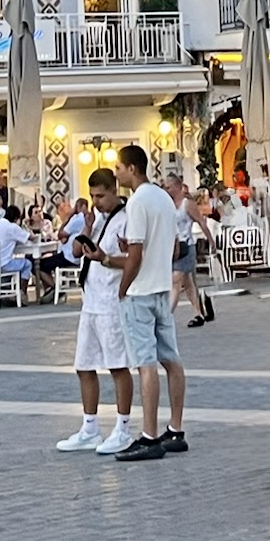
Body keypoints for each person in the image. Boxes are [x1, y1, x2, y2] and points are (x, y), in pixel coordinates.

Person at [111, 144, 187, 460]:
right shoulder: (163, 198)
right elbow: (174, 250)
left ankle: (149, 435)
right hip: (161, 288)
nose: (116, 173)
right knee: (171, 360)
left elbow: (137, 254)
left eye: (118, 167)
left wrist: (123, 288)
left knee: (146, 363)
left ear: (132, 168)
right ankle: (176, 429)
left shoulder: (139, 201)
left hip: (141, 292)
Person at [56, 168, 135, 456]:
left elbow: (134, 260)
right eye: (92, 196)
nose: (96, 201)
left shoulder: (126, 220)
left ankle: (123, 427)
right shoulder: (98, 219)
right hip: (90, 301)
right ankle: (90, 427)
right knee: (84, 365)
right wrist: (87, 226)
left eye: (101, 195)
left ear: (114, 190)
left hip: (111, 302)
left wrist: (106, 259)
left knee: (117, 365)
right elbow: (77, 251)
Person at [165, 174, 214, 327]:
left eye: (168, 187)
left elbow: (201, 222)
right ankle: (198, 313)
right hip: (173, 246)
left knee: (176, 279)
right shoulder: (167, 204)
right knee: (188, 283)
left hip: (186, 245)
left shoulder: (187, 204)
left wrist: (211, 242)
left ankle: (166, 316)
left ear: (177, 187)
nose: (166, 190)